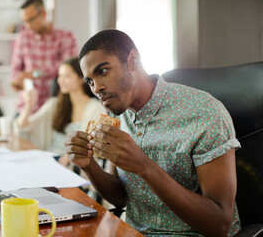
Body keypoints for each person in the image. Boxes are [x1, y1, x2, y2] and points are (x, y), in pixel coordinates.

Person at [64, 29, 241, 236]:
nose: (97, 88)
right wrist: (89, 165)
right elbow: (121, 197)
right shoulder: (120, 117)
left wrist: (144, 166)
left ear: (132, 60)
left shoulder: (205, 112)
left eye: (103, 71)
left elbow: (219, 224)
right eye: (89, 81)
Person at [14, 57, 105, 166]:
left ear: (82, 78)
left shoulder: (95, 108)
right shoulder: (55, 104)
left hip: (71, 166)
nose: (59, 81)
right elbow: (22, 127)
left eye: (66, 76)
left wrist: (68, 157)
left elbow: (90, 147)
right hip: (49, 161)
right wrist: (28, 106)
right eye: (59, 76)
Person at [11, 0, 78, 114]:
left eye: (31, 20)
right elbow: (15, 70)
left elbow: (68, 69)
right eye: (24, 21)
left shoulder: (66, 37)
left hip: (56, 108)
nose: (28, 26)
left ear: (43, 14)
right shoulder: (22, 38)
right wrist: (17, 81)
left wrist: (35, 74)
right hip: (27, 107)